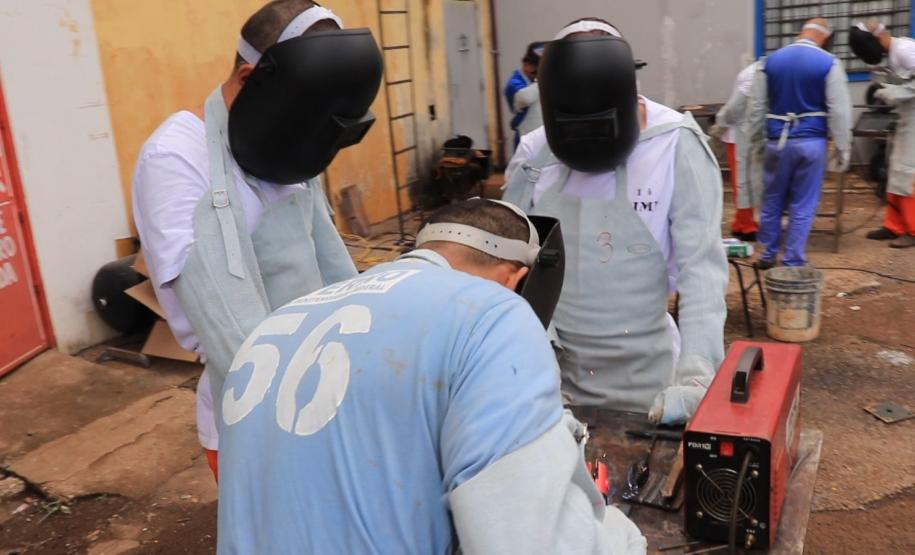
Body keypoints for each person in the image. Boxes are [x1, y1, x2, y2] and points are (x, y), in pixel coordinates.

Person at [216, 198, 647, 554]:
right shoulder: (490, 313)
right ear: (517, 280)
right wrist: (619, 535)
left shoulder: (280, 322)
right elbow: (529, 542)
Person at [132, 0, 382, 480]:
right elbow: (218, 325)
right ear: (251, 80)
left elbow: (330, 266)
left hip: (334, 390)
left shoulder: (284, 143)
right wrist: (300, 415)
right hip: (257, 418)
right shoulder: (176, 157)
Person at [503, 18, 728, 425]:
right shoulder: (535, 154)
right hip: (555, 379)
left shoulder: (674, 144)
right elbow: (512, 263)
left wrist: (697, 376)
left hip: (650, 380)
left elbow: (703, 271)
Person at [747, 18, 853, 268]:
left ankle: (767, 253)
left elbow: (756, 107)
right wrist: (842, 145)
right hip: (811, 143)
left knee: (772, 199)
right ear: (826, 38)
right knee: (803, 202)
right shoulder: (829, 63)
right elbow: (839, 111)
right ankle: (793, 258)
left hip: (777, 143)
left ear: (801, 33)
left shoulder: (768, 62)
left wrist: (756, 140)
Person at [850, 20, 915, 249]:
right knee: (895, 167)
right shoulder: (895, 54)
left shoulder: (905, 50)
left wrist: (896, 92)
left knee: (907, 172)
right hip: (908, 116)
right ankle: (893, 225)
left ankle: (912, 230)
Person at [715, 60, 761, 241]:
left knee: (743, 181)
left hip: (742, 135)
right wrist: (723, 121)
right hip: (746, 134)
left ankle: (745, 223)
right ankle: (744, 223)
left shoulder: (755, 72)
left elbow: (737, 104)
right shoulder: (757, 73)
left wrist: (721, 122)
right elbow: (739, 102)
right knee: (745, 181)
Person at [504, 42, 545, 148]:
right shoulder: (514, 83)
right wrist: (545, 79)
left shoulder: (535, 81)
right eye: (537, 67)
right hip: (526, 138)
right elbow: (523, 98)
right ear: (526, 64)